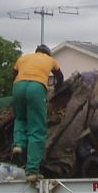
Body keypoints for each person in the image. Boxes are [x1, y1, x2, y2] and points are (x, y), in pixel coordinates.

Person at [11, 45, 64, 182]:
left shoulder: (23, 58)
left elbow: (13, 75)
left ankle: (18, 145)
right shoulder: (50, 60)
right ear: (48, 54)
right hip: (36, 87)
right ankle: (32, 170)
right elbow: (60, 77)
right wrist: (57, 89)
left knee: (20, 118)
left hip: (18, 86)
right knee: (37, 128)